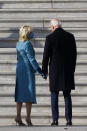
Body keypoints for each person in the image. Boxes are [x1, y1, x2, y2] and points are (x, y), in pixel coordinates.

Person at [42, 19, 77, 126]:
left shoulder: (50, 38)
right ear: (60, 26)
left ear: (52, 27)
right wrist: (72, 69)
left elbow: (46, 56)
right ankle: (69, 120)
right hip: (67, 70)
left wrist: (44, 70)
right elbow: (74, 54)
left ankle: (55, 120)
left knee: (54, 94)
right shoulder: (70, 36)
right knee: (67, 95)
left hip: (54, 70)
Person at [15, 25, 46, 126]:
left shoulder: (18, 44)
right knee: (29, 93)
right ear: (27, 33)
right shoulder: (28, 44)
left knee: (20, 93)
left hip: (19, 68)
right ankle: (28, 118)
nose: (33, 33)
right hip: (27, 70)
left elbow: (18, 57)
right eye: (31, 32)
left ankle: (18, 116)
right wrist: (40, 71)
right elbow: (31, 59)